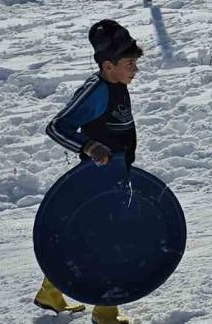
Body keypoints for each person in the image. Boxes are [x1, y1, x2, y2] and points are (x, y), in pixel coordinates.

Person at [36, 19, 144, 324]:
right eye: (129, 64)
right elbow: (57, 127)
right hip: (98, 181)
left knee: (86, 238)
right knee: (109, 242)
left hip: (116, 176)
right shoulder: (95, 91)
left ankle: (50, 292)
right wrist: (88, 146)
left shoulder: (117, 84)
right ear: (108, 66)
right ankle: (105, 313)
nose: (135, 69)